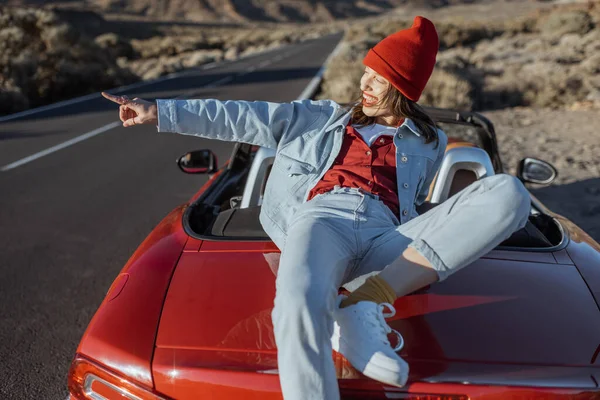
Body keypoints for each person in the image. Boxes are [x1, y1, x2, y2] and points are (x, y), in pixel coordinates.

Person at [102, 16, 530, 400]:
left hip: (389, 239)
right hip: (323, 220)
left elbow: (414, 199)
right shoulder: (316, 119)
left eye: (377, 78)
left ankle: (366, 301)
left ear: (401, 88)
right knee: (296, 302)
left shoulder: (429, 140)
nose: (363, 84)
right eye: (365, 72)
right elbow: (237, 116)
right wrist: (157, 111)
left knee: (509, 193)